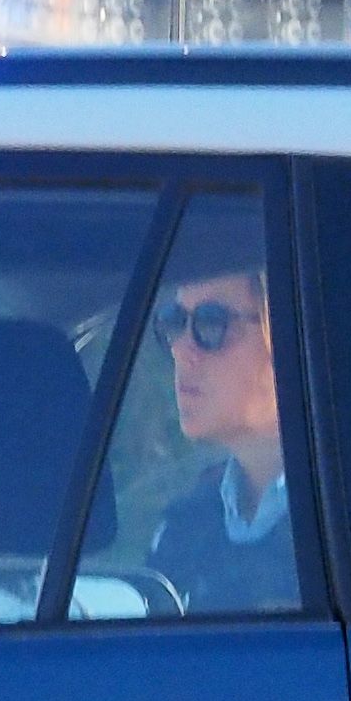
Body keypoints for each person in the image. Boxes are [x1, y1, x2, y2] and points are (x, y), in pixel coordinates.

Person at [136, 246, 298, 614]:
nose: (181, 349)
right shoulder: (187, 522)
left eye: (211, 324)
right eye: (174, 321)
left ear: (288, 335)